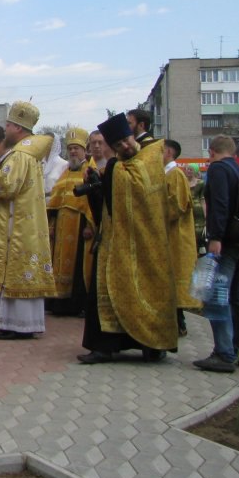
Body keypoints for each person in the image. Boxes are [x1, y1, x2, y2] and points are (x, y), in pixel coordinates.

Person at [78, 114, 177, 364]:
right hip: (114, 241)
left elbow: (142, 194)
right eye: (118, 144)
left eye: (126, 140)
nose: (124, 146)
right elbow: (108, 207)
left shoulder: (147, 160)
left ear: (134, 137)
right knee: (104, 290)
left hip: (146, 245)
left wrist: (111, 172)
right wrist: (97, 186)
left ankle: (152, 343)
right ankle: (103, 347)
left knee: (147, 289)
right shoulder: (117, 167)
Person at [0, 101, 55, 340]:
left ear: (18, 128)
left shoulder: (21, 154)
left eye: (8, 125)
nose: (5, 128)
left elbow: (6, 186)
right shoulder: (27, 153)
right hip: (20, 222)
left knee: (13, 272)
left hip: (15, 226)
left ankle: (17, 325)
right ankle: (15, 324)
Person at [195, 134, 239, 373]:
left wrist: (216, 237)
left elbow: (219, 204)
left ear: (211, 152)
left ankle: (223, 353)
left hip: (227, 243)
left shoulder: (219, 169)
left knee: (217, 296)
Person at [46, 127, 94, 317]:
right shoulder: (65, 172)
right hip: (61, 226)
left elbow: (93, 202)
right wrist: (51, 225)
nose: (73, 152)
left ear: (84, 150)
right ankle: (59, 304)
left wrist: (90, 225)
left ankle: (76, 305)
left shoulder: (90, 171)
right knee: (58, 265)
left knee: (77, 267)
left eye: (77, 148)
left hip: (79, 225)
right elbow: (55, 202)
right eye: (71, 148)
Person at [163, 139, 201, 337]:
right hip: (169, 236)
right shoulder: (167, 173)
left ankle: (179, 323)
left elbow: (176, 205)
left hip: (175, 235)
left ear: (168, 152)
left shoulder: (175, 174)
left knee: (175, 278)